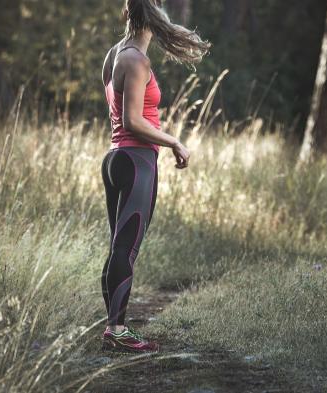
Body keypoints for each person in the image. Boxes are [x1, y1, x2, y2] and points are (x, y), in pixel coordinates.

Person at [100, 0, 210, 352]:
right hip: (136, 162)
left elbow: (117, 112)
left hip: (116, 158)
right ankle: (116, 329)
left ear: (128, 13)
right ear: (154, 15)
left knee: (119, 247)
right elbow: (132, 120)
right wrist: (174, 141)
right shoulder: (136, 60)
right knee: (126, 249)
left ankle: (114, 325)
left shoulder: (115, 53)